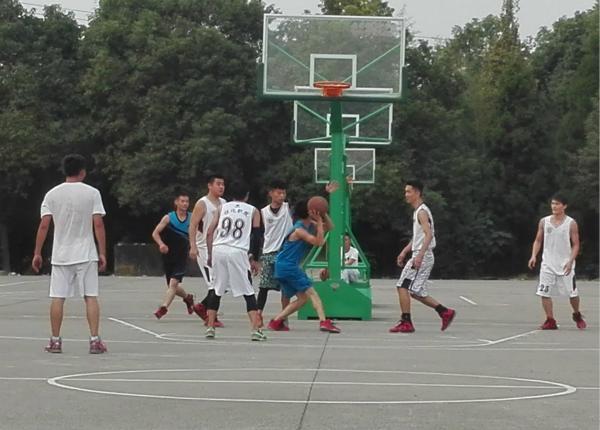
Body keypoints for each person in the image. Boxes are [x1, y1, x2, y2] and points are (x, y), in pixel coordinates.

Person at [32, 154, 108, 354]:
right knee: (90, 296)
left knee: (58, 297)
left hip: (61, 253)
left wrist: (37, 252)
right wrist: (102, 252)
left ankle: (55, 340)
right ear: (82, 172)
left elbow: (44, 225)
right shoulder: (92, 193)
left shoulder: (52, 194)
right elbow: (98, 224)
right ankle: (94, 340)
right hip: (86, 253)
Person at [390, 180, 455, 333]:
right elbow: (418, 237)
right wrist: (405, 251)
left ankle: (406, 322)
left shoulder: (421, 212)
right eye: (405, 191)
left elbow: (428, 235)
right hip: (422, 254)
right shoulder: (419, 211)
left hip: (422, 255)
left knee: (402, 286)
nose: (406, 195)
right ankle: (445, 312)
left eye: (408, 191)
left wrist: (419, 256)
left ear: (417, 193)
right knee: (415, 291)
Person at [267, 200, 341, 333]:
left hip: (282, 266)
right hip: (288, 266)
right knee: (312, 293)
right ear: (309, 212)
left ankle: (277, 322)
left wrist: (324, 214)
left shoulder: (310, 224)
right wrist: (319, 222)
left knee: (302, 299)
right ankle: (323, 322)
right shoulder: (299, 230)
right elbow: (319, 242)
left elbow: (330, 227)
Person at [205, 181, 266, 341]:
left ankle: (210, 327)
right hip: (237, 250)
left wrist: (210, 254)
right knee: (248, 290)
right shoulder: (253, 210)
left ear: (231, 195)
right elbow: (257, 236)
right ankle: (255, 330)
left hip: (219, 248)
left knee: (217, 288)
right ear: (247, 195)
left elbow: (210, 232)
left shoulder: (221, 208)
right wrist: (254, 258)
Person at [528, 194, 585, 330]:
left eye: (557, 204)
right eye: (553, 203)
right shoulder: (544, 221)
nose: (554, 206)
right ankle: (550, 319)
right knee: (544, 292)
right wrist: (533, 255)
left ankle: (577, 314)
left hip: (565, 264)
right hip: (548, 263)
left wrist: (570, 261)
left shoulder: (571, 223)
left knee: (572, 294)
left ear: (564, 206)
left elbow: (576, 244)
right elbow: (538, 240)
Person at [151, 192, 196, 319]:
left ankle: (164, 308)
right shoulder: (169, 218)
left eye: (187, 201)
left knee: (173, 284)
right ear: (176, 202)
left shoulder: (192, 218)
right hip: (168, 255)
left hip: (182, 256)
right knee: (173, 286)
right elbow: (155, 233)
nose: (185, 204)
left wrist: (194, 248)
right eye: (182, 201)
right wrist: (161, 244)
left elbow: (197, 234)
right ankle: (188, 298)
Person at [189, 174, 226, 326]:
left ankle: (203, 306)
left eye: (223, 184)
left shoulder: (224, 203)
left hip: (219, 247)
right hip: (204, 248)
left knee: (224, 282)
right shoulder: (202, 203)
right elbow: (192, 225)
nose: (221, 187)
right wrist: (193, 246)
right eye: (218, 184)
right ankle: (211, 317)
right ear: (210, 186)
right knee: (214, 283)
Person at [256, 180, 293, 328]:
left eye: (283, 192)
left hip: (284, 253)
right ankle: (258, 315)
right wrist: (254, 256)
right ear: (271, 193)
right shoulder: (263, 212)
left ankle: (284, 318)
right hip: (268, 252)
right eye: (278, 192)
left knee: (285, 288)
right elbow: (259, 235)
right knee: (263, 287)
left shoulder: (288, 208)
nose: (281, 195)